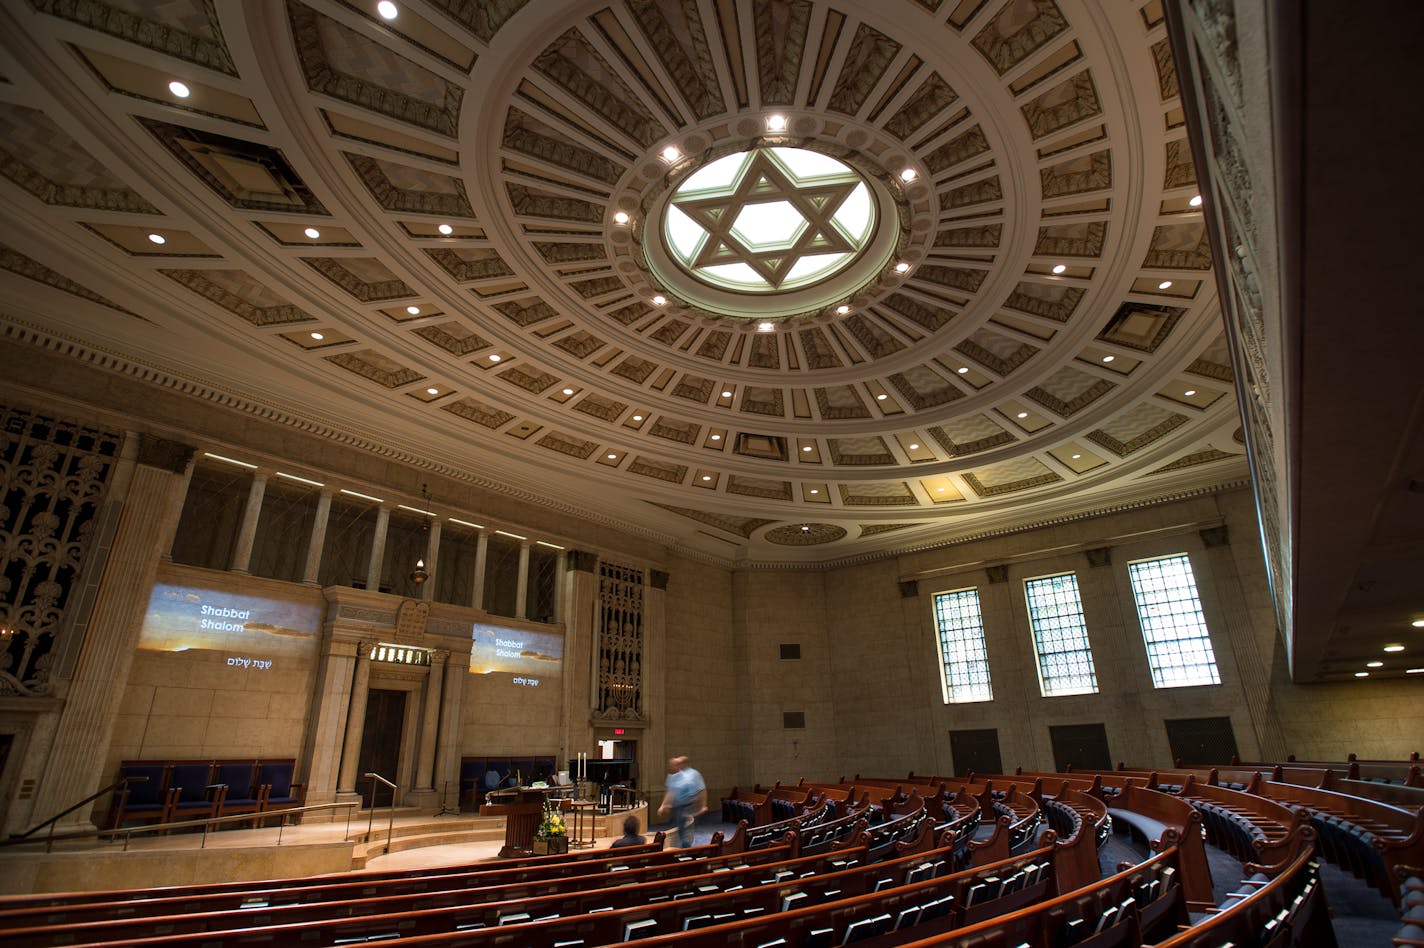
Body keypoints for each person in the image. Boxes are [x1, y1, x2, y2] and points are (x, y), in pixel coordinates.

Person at [657, 755, 706, 848]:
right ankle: (682, 848)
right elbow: (670, 792)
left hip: (689, 806)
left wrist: (703, 805)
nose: (673, 766)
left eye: (676, 764)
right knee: (680, 830)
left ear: (683, 764)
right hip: (678, 808)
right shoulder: (673, 777)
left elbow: (701, 790)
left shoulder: (693, 774)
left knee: (685, 832)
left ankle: (685, 850)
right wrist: (663, 805)